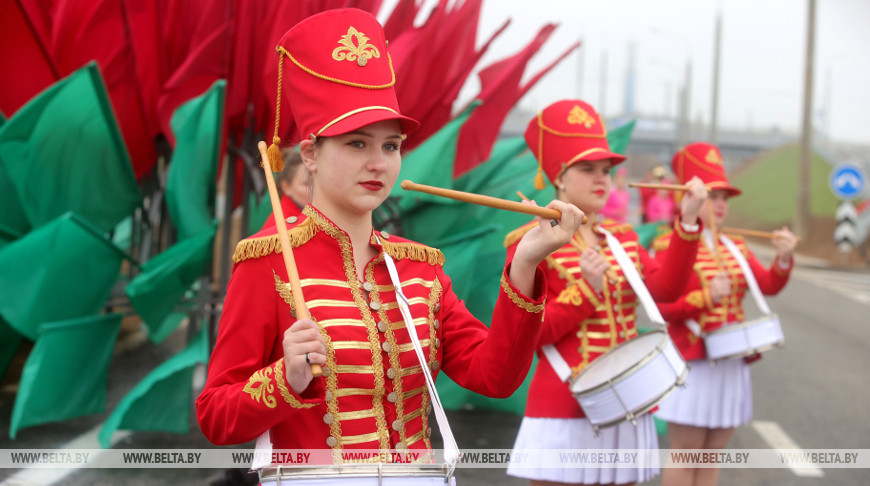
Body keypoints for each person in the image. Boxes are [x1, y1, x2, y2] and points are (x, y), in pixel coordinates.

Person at [196, 8, 585, 465]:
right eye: (357, 143)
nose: (379, 163)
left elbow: (494, 377)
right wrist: (287, 379)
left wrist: (525, 264)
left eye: (390, 146)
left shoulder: (420, 268)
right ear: (310, 153)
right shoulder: (269, 263)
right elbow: (215, 416)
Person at [503, 99, 709, 486]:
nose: (603, 178)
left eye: (607, 170)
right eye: (588, 169)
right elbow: (529, 335)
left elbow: (666, 289)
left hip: (628, 400)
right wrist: (586, 291)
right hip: (562, 408)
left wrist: (689, 219)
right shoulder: (532, 242)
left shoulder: (623, 239)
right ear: (560, 177)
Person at [652, 142, 797, 486]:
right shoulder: (667, 244)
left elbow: (767, 285)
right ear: (691, 197)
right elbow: (662, 308)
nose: (719, 205)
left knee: (712, 454)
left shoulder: (736, 246)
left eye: (724, 199)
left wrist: (784, 258)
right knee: (686, 453)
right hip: (695, 362)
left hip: (731, 359)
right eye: (712, 196)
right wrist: (705, 297)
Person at [258, 148, 310, 232]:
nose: (315, 189)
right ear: (286, 187)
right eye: (307, 184)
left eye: (318, 183)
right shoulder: (280, 226)